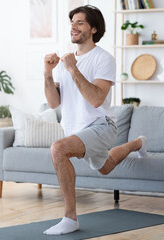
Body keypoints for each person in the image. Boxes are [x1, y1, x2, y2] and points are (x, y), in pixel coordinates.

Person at [43, 5, 148, 235]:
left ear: (93, 29)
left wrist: (73, 70)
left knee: (58, 149)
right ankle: (137, 143)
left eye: (80, 23)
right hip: (78, 130)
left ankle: (70, 219)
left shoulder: (104, 59)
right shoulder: (64, 62)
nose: (74, 26)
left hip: (102, 126)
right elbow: (53, 103)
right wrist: (48, 73)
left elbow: (96, 100)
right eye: (72, 22)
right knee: (106, 167)